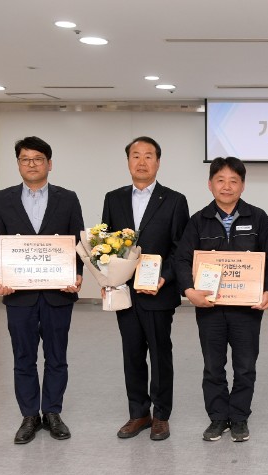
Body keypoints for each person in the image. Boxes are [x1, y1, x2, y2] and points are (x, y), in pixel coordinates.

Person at [175, 156, 268, 443]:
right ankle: (218, 417)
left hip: (247, 310)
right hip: (210, 309)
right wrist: (189, 291)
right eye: (220, 180)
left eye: (234, 181)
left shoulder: (258, 218)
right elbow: (182, 260)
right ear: (210, 185)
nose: (227, 186)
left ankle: (240, 417)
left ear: (243, 185)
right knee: (213, 366)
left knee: (245, 366)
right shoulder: (198, 221)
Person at [0, 136, 84, 444]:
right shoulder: (2, 199)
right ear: (18, 164)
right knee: (23, 357)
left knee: (57, 357)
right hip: (19, 294)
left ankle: (52, 412)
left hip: (58, 294)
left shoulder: (67, 198)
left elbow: (77, 242)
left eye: (38, 159)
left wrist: (77, 274)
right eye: (25, 159)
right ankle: (29, 415)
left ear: (49, 164)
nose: (31, 164)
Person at [102, 136, 189, 441]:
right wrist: (107, 280)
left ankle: (161, 415)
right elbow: (104, 246)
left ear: (158, 162)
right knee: (132, 353)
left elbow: (181, 248)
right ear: (128, 161)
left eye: (148, 156)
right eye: (135, 155)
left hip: (158, 293)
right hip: (124, 291)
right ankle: (138, 413)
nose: (142, 162)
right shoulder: (113, 198)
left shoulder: (174, 200)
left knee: (160, 354)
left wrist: (164, 277)